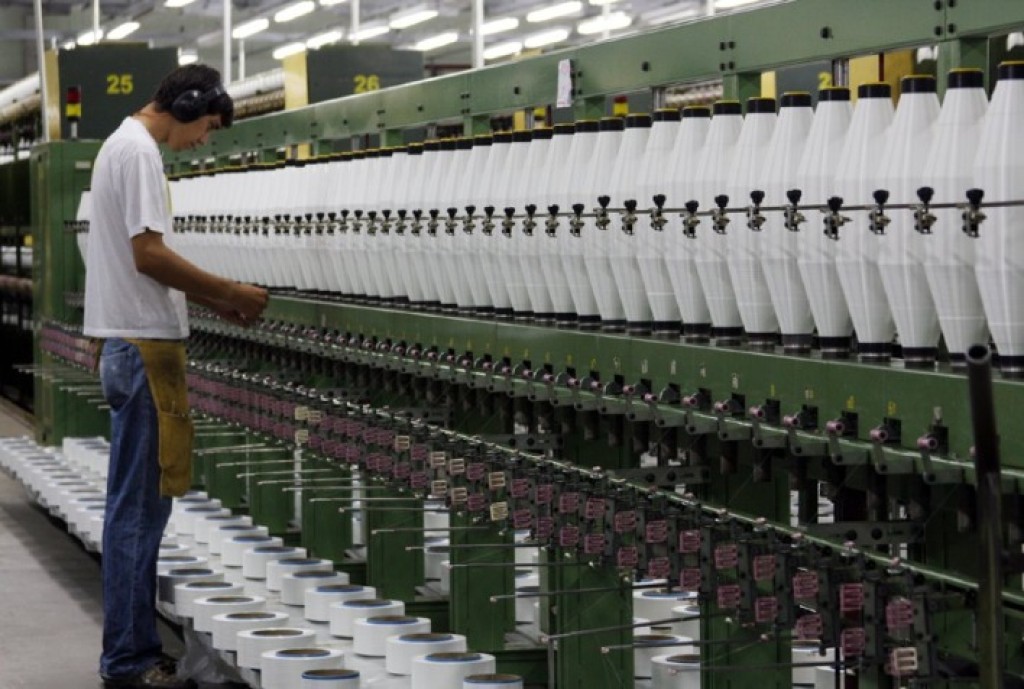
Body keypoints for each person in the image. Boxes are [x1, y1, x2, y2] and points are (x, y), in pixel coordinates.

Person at [83, 64, 268, 689]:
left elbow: (137, 263)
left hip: (129, 344)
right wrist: (230, 290)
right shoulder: (140, 153)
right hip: (143, 350)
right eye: (207, 126)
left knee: (133, 509)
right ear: (186, 106)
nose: (204, 140)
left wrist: (213, 302)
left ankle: (130, 654)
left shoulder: (121, 145)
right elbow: (149, 255)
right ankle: (131, 663)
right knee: (138, 514)